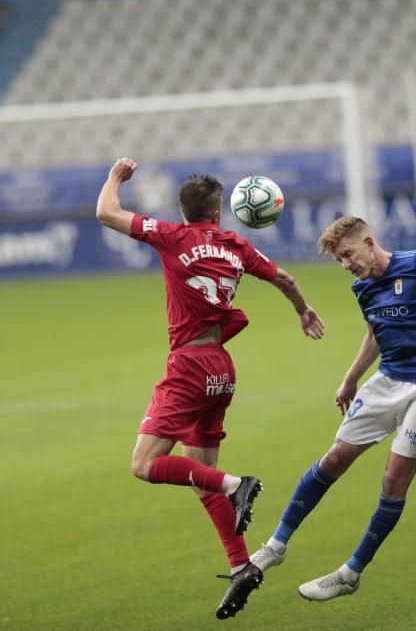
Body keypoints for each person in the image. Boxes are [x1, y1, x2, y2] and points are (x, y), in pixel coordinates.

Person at [95, 158, 325, 619]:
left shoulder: (171, 235)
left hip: (188, 367)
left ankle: (239, 484)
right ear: (219, 213)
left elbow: (105, 212)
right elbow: (286, 278)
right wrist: (302, 310)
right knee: (201, 481)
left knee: (145, 464)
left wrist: (116, 178)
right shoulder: (235, 244)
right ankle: (241, 566)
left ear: (184, 211)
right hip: (222, 370)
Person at [249, 215, 416, 602]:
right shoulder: (363, 287)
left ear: (369, 242)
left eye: (347, 254)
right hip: (386, 380)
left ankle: (350, 573)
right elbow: (375, 333)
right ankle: (275, 547)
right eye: (338, 260)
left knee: (393, 480)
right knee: (333, 459)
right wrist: (351, 377)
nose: (346, 265)